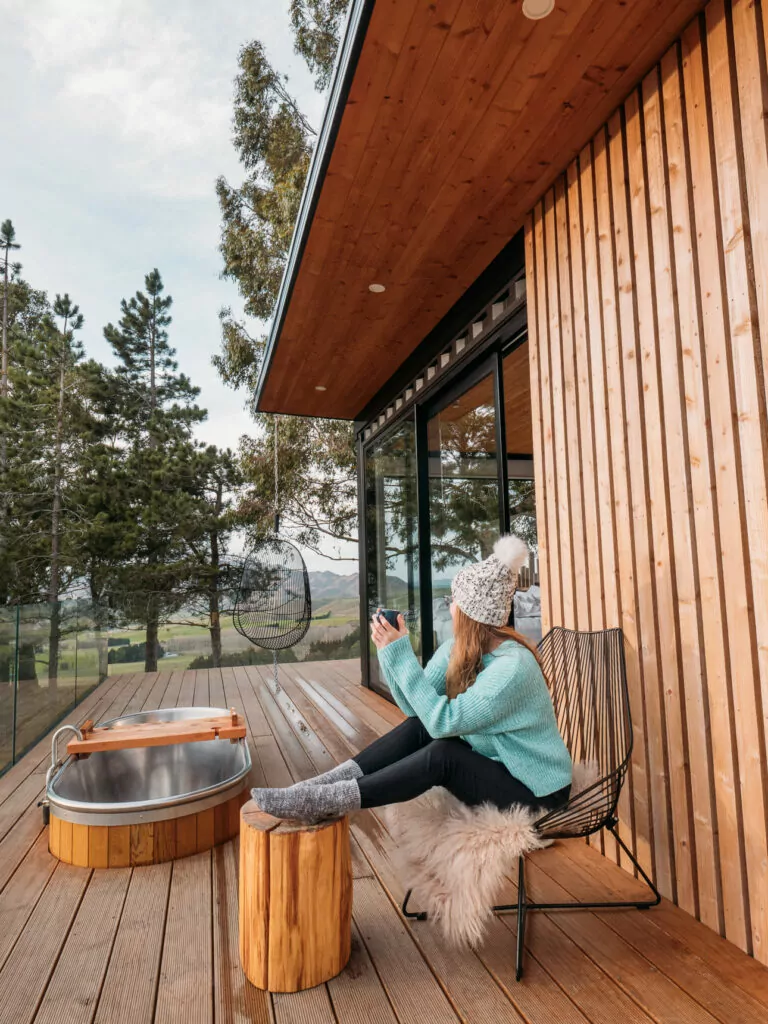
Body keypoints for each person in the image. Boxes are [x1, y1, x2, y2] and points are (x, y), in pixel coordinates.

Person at [250, 535, 572, 823]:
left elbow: (441, 724)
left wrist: (402, 656)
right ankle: (325, 785)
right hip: (499, 768)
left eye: (454, 600)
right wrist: (391, 652)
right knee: (418, 729)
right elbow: (414, 712)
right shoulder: (457, 650)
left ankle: (330, 799)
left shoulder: (512, 668)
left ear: (472, 613)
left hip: (539, 796)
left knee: (444, 754)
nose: (450, 605)